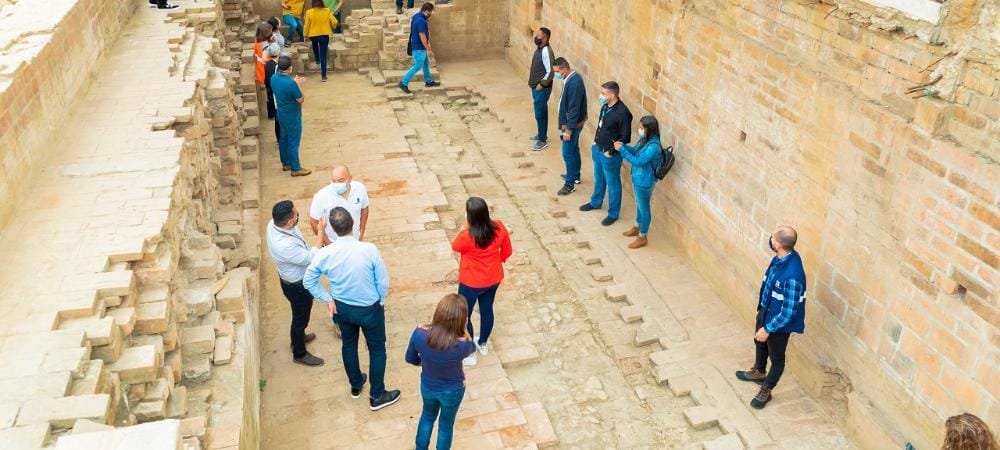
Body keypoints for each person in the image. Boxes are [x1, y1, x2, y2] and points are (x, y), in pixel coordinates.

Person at [304, 207, 401, 411]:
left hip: (342, 308)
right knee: (377, 350)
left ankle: (356, 385)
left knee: (348, 345)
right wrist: (380, 301)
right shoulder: (369, 250)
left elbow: (309, 280)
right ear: (354, 224)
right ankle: (377, 395)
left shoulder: (325, 254)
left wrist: (327, 298)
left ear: (332, 229)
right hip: (369, 308)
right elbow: (382, 281)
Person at [735, 226, 806, 409]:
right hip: (766, 312)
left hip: (778, 325)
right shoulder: (780, 258)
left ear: (779, 244)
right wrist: (762, 313)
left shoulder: (793, 275)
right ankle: (758, 371)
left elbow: (789, 311)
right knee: (759, 342)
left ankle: (766, 389)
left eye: (773, 237)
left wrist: (768, 329)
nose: (770, 238)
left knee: (777, 359)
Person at [405, 294, 477, 450]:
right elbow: (472, 348)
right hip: (453, 390)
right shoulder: (462, 344)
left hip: (428, 385)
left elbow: (410, 358)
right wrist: (465, 329)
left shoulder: (419, 333)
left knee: (427, 416)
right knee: (445, 425)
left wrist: (424, 362)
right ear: (462, 320)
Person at [450, 197, 512, 366]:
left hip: (470, 282)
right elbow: (507, 250)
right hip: (493, 278)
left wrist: (465, 227)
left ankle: (469, 352)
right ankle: (483, 343)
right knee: (487, 310)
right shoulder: (499, 227)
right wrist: (497, 261)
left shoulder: (466, 235)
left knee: (465, 316)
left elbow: (455, 246)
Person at [266, 200, 325, 366]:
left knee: (299, 315)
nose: (298, 215)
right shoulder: (284, 246)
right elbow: (311, 258)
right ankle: (299, 352)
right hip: (297, 285)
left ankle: (298, 337)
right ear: (290, 221)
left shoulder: (273, 224)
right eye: (296, 214)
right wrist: (320, 232)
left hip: (291, 281)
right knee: (300, 317)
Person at [579, 81, 632, 227]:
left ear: (612, 95)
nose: (601, 96)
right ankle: (596, 202)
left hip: (610, 155)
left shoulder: (623, 113)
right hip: (598, 149)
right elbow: (601, 126)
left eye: (604, 93)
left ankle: (613, 213)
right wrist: (596, 143)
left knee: (613, 183)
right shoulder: (605, 106)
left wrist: (612, 151)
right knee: (599, 178)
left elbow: (625, 137)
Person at [614, 115, 663, 249]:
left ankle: (642, 236)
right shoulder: (645, 140)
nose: (639, 129)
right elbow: (635, 150)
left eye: (642, 128)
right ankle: (637, 227)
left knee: (644, 208)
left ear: (649, 129)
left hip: (644, 181)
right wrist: (623, 146)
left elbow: (638, 161)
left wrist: (622, 151)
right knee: (640, 205)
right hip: (638, 178)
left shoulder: (653, 147)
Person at [271, 55, 312, 176]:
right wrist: (298, 85)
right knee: (293, 141)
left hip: (281, 114)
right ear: (289, 68)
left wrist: (294, 83)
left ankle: (286, 163)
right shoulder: (290, 84)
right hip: (292, 116)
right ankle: (296, 168)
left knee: (283, 139)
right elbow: (300, 99)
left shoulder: (274, 77)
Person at [308, 165, 369, 244]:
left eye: (340, 181)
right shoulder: (321, 196)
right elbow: (314, 221)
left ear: (350, 179)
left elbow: (364, 209)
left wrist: (361, 232)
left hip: (355, 241)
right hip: (333, 243)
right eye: (333, 181)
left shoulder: (360, 189)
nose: (336, 184)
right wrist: (327, 242)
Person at [553, 57, 587, 196]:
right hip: (572, 123)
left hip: (572, 125)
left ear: (564, 69)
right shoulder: (571, 79)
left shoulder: (574, 83)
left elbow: (573, 109)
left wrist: (568, 129)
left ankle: (569, 184)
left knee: (567, 152)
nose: (556, 74)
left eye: (557, 71)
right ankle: (575, 175)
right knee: (574, 148)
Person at [398, 3, 441, 94]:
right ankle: (403, 82)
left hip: (417, 45)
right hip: (419, 47)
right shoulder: (421, 21)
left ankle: (429, 81)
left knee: (426, 63)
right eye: (430, 12)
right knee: (417, 66)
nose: (431, 14)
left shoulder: (416, 16)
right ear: (426, 11)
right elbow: (422, 35)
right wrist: (428, 49)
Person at [528, 27, 555, 152]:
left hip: (541, 88)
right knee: (540, 112)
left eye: (539, 36)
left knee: (540, 113)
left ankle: (542, 140)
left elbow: (551, 71)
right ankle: (541, 134)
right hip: (535, 86)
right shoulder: (539, 49)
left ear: (545, 38)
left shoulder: (546, 51)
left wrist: (542, 84)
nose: (536, 37)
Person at [303, 0, 338, 81]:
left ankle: (317, 60)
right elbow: (335, 22)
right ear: (322, 3)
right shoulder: (327, 11)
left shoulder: (309, 12)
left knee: (314, 44)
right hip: (324, 35)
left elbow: (306, 25)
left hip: (313, 35)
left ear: (313, 3)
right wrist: (333, 26)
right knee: (324, 55)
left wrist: (305, 35)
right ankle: (324, 76)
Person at [263, 43, 281, 130]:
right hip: (274, 87)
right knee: (272, 100)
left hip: (268, 85)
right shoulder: (276, 66)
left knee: (269, 98)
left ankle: (271, 114)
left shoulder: (267, 64)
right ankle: (273, 114)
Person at [254, 22, 273, 87]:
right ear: (266, 33)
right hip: (263, 69)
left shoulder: (257, 41)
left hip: (258, 68)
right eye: (270, 31)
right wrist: (274, 58)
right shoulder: (265, 45)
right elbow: (264, 59)